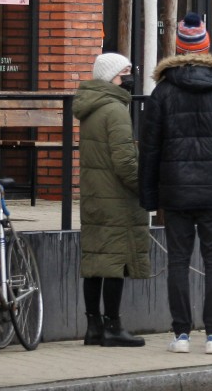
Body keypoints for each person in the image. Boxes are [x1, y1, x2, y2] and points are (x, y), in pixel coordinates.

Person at [140, 22, 212, 355]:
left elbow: (150, 148)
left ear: (178, 48)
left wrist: (148, 195)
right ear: (206, 47)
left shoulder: (163, 91)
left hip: (175, 192)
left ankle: (181, 335)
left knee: (177, 261)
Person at [75, 53, 148, 347]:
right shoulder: (115, 109)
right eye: (126, 71)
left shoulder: (91, 107)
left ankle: (93, 327)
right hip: (116, 197)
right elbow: (125, 162)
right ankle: (113, 326)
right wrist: (144, 188)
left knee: (96, 262)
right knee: (116, 262)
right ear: (112, 75)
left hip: (94, 194)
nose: (131, 76)